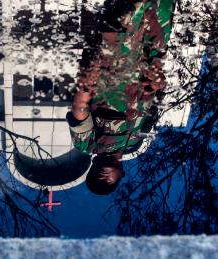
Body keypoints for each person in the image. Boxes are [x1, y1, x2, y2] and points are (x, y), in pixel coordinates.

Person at [67, 0, 174, 195]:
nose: (101, 178)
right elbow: (154, 100)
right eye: (107, 182)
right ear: (121, 175)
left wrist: (92, 70)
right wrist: (158, 84)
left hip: (116, 53)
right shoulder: (135, 142)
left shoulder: (86, 144)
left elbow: (80, 109)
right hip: (149, 55)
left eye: (94, 178)